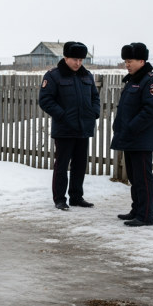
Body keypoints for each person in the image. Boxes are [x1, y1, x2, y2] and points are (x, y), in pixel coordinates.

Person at [39, 41, 100, 210]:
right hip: (65, 129)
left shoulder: (86, 75)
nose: (78, 63)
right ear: (65, 57)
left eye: (81, 59)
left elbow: (95, 97)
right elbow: (45, 100)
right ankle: (59, 198)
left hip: (83, 128)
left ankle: (76, 196)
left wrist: (94, 112)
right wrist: (63, 116)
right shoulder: (53, 76)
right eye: (74, 59)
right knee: (61, 165)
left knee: (80, 165)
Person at [110, 42, 153, 226]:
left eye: (130, 61)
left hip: (140, 138)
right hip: (130, 137)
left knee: (143, 178)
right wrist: (119, 126)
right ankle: (136, 210)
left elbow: (151, 110)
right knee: (134, 178)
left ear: (142, 60)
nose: (127, 64)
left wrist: (131, 128)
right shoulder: (133, 80)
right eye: (125, 61)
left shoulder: (151, 81)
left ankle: (145, 216)